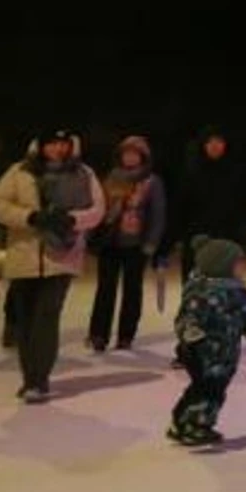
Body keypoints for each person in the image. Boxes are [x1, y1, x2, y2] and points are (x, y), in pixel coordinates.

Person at [0, 129, 106, 402]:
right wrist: (29, 217)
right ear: (41, 146)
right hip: (24, 256)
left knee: (46, 317)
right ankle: (30, 376)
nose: (58, 149)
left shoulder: (83, 173)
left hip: (62, 257)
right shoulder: (19, 171)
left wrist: (72, 219)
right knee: (26, 320)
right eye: (52, 143)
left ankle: (38, 380)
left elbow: (98, 209)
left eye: (63, 144)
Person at [168, 238, 246, 445]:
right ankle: (186, 424)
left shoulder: (237, 292)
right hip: (202, 351)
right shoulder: (201, 292)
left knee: (216, 391)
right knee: (204, 388)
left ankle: (201, 423)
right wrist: (190, 331)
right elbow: (187, 317)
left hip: (226, 353)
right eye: (238, 263)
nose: (243, 266)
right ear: (221, 266)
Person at [86, 136, 167, 351]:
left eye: (135, 153)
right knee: (105, 289)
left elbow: (158, 214)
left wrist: (151, 242)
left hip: (136, 244)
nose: (130, 157)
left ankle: (126, 335)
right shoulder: (110, 178)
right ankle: (98, 334)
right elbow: (98, 208)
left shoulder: (151, 181)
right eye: (126, 153)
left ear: (143, 157)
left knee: (132, 290)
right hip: (110, 242)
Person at [174, 130, 246, 285]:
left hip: (229, 239)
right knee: (194, 286)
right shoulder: (191, 172)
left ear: (225, 145)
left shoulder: (238, 173)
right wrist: (178, 236)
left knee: (227, 287)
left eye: (219, 141)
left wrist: (243, 233)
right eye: (210, 142)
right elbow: (181, 207)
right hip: (197, 241)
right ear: (204, 146)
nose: (214, 146)